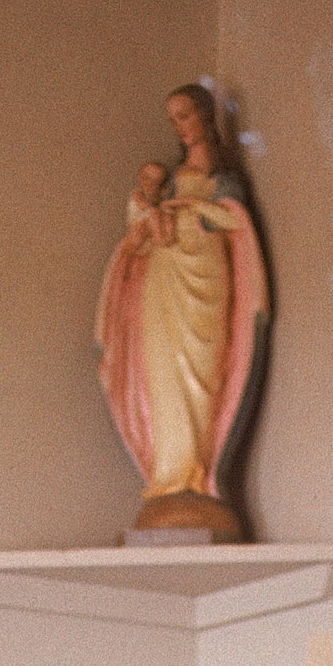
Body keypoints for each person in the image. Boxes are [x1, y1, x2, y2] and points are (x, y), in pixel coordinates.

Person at [95, 84, 269, 538]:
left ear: (205, 117)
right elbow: (141, 223)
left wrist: (193, 208)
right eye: (173, 119)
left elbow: (235, 220)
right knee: (162, 372)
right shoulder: (168, 179)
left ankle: (199, 476)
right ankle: (169, 477)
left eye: (186, 115)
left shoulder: (225, 176)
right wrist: (147, 209)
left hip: (207, 275)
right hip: (164, 274)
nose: (180, 126)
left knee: (204, 372)